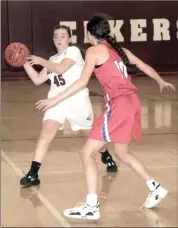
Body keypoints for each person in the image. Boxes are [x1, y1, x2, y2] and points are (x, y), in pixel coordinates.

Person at [31, 15, 175, 219]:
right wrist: (160, 80)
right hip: (132, 103)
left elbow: (82, 82)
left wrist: (54, 100)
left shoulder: (94, 51)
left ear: (90, 34)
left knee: (86, 153)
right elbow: (143, 66)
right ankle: (155, 187)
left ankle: (91, 206)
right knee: (122, 152)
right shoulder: (121, 50)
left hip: (118, 105)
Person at [20, 24, 118, 187]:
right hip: (55, 101)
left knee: (90, 135)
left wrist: (39, 60)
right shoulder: (51, 59)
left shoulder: (73, 52)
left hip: (76, 100)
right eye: (56, 36)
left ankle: (106, 155)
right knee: (46, 134)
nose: (59, 39)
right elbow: (38, 80)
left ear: (69, 39)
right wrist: (24, 63)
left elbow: (60, 69)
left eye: (62, 36)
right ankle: (33, 174)